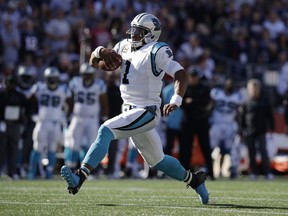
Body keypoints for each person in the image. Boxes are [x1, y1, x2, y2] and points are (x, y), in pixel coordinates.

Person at [60, 13, 209, 204]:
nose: (133, 34)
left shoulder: (157, 50)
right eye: (132, 29)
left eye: (139, 31)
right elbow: (96, 64)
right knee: (158, 161)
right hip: (130, 111)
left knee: (105, 130)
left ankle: (79, 177)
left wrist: (176, 100)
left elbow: (181, 74)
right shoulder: (123, 46)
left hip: (147, 110)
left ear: (150, 34)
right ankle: (195, 180)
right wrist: (99, 51)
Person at [28, 67, 71, 179]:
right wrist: (31, 113)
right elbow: (29, 100)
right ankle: (32, 172)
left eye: (53, 78)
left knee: (52, 148)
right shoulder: (39, 87)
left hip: (55, 123)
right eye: (50, 78)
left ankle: (48, 172)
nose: (52, 80)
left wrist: (66, 115)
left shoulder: (63, 89)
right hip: (42, 122)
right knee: (37, 147)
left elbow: (70, 102)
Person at [64, 63, 108, 172]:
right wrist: (68, 114)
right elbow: (69, 100)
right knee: (74, 143)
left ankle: (91, 169)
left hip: (92, 118)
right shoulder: (75, 83)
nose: (87, 77)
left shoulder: (99, 84)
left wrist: (104, 116)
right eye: (85, 74)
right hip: (77, 117)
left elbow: (104, 102)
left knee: (92, 143)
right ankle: (72, 167)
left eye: (89, 74)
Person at [238, 79, 275, 180]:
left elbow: (270, 115)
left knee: (264, 152)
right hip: (249, 131)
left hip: (261, 130)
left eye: (256, 88)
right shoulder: (246, 102)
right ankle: (254, 172)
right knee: (251, 153)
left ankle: (267, 172)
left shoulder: (264, 100)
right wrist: (241, 130)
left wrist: (272, 127)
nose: (254, 90)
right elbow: (241, 117)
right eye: (252, 88)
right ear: (249, 90)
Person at [209, 79, 243, 178]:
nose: (230, 86)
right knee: (211, 147)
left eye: (232, 84)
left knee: (227, 149)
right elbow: (211, 106)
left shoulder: (237, 96)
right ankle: (209, 167)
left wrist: (239, 124)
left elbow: (239, 112)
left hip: (229, 124)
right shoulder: (217, 93)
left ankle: (227, 170)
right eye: (228, 84)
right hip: (217, 123)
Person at [0, 75, 28, 179]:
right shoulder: (2, 95)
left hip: (15, 124)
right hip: (3, 124)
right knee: (1, 148)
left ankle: (11, 171)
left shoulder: (19, 96)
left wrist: (22, 120)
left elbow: (26, 108)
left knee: (14, 149)